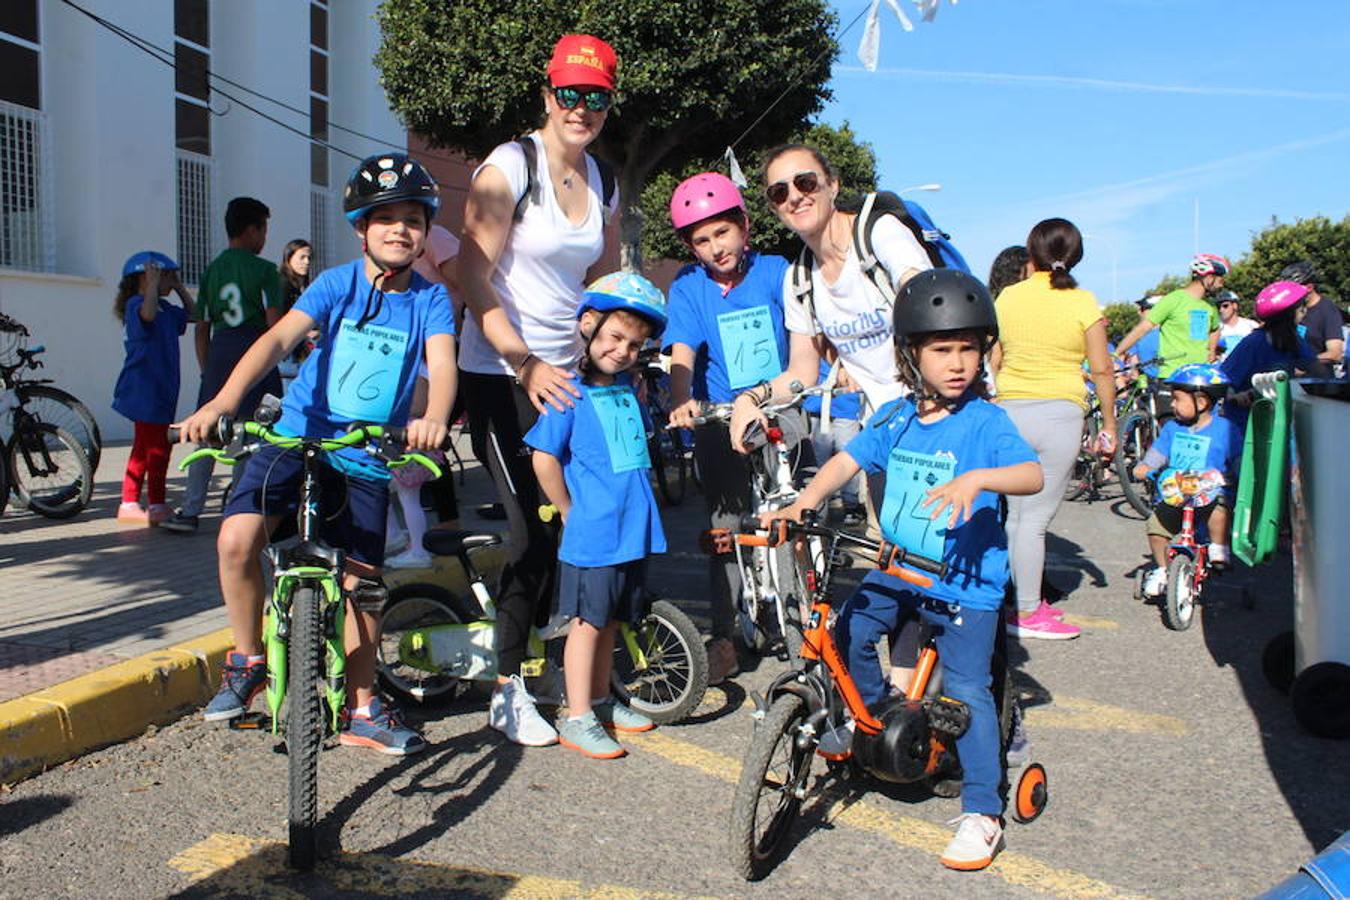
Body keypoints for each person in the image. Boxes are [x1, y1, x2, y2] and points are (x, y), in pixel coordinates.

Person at [176, 153, 455, 756]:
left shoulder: (431, 300)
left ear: (426, 230)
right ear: (361, 228)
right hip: (296, 436)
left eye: (412, 218)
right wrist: (222, 403)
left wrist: (431, 419)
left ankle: (362, 708)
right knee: (235, 540)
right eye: (384, 218)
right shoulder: (336, 284)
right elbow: (276, 338)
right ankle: (246, 659)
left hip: (363, 450)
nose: (400, 229)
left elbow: (441, 362)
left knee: (362, 582)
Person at [766, 269, 1043, 871]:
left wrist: (978, 478)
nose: (958, 362)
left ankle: (982, 812)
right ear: (910, 354)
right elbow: (847, 460)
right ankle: (881, 718)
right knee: (849, 631)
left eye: (969, 348)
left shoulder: (986, 423)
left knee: (967, 692)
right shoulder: (896, 417)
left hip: (964, 582)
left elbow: (1031, 476)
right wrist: (805, 500)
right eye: (943, 349)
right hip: (896, 568)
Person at [456, 34, 620, 747]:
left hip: (568, 378)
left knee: (578, 524)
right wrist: (524, 363)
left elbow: (603, 286)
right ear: (547, 94)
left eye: (597, 96)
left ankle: (568, 671)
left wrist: (615, 352)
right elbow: (470, 274)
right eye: (570, 94)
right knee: (529, 528)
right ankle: (506, 684)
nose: (582, 108)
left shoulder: (606, 181)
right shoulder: (508, 167)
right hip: (501, 375)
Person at [526, 272, 668, 758]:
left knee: (610, 619)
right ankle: (578, 714)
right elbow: (544, 457)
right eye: (614, 336)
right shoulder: (568, 391)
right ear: (588, 325)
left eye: (634, 343)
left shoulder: (628, 391)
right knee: (587, 622)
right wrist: (568, 510)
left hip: (629, 528)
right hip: (594, 530)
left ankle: (604, 700)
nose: (623, 350)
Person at [663, 171, 791, 684]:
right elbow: (683, 352)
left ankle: (803, 617)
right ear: (690, 247)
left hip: (781, 411)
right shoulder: (689, 287)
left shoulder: (778, 271)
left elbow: (810, 337)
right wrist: (680, 401)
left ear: (744, 225)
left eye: (723, 232)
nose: (716, 247)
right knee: (725, 531)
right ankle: (725, 637)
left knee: (795, 521)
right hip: (721, 421)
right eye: (702, 239)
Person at [730, 144, 935, 454]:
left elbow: (927, 301)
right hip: (883, 432)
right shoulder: (799, 279)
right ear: (774, 208)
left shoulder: (879, 235)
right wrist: (748, 399)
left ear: (833, 185)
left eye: (806, 182)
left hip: (940, 419)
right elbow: (801, 373)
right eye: (779, 192)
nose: (795, 196)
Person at [989, 218, 1116, 639]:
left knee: (1015, 518)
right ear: (1075, 255)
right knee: (1035, 520)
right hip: (1060, 412)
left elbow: (995, 359)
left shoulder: (1008, 298)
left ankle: (1019, 601)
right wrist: (1110, 426)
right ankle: (1027, 612)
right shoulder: (1083, 302)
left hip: (1010, 411)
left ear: (1032, 252)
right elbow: (1101, 369)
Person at [162, 198, 285, 533]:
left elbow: (200, 326)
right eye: (264, 229)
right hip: (254, 350)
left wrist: (207, 369)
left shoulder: (212, 270)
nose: (265, 238)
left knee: (207, 432)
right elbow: (276, 324)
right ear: (252, 229)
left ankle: (190, 511)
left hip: (219, 352)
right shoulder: (265, 270)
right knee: (252, 434)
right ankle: (240, 509)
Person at [1134, 365, 1242, 594]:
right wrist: (1145, 466)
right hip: (1176, 493)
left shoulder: (1225, 429)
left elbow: (1238, 458)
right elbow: (1158, 452)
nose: (1171, 404)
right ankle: (1163, 570)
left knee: (1219, 511)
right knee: (1156, 525)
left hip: (1211, 492)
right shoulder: (1172, 428)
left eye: (1177, 399)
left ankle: (1218, 546)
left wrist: (1238, 475)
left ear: (1201, 402)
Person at [111, 251, 195, 526]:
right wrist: (150, 284)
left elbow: (194, 314)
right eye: (167, 275)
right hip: (144, 390)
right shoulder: (138, 305)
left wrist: (180, 287)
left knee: (143, 448)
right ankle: (155, 504)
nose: (172, 280)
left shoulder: (167, 311)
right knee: (158, 448)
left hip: (161, 389)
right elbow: (146, 313)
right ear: (145, 278)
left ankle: (130, 502)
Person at [410, 223, 465, 535]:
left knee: (434, 433)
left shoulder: (435, 237)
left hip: (451, 341)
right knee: (424, 435)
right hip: (420, 346)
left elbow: (464, 281)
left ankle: (449, 520)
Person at [1220, 280, 1324, 430]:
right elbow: (1225, 378)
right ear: (1288, 314)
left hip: (1275, 420)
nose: (1305, 312)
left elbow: (1316, 368)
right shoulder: (1254, 343)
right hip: (1245, 424)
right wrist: (1233, 396)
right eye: (1301, 308)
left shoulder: (1294, 340)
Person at [1115, 253, 1227, 377]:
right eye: (1220, 280)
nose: (1221, 285)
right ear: (1209, 277)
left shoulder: (1210, 306)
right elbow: (1143, 328)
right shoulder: (1173, 299)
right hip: (1173, 373)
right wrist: (1117, 353)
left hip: (1200, 372)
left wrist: (1211, 350)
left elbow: (1215, 329)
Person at [803, 359, 865, 524]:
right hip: (817, 405)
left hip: (847, 407)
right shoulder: (815, 342)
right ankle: (820, 505)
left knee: (850, 455)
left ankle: (851, 506)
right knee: (818, 461)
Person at [1279, 261, 1345, 366]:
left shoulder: (1327, 310)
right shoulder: (1287, 310)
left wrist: (1302, 364)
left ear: (1309, 287)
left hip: (1316, 379)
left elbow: (1335, 353)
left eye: (1293, 290)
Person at [1212, 290, 1256, 362]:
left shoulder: (1251, 325)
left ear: (1235, 305)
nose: (1221, 310)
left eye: (1225, 306)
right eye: (1218, 307)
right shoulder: (1215, 329)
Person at [279, 239, 313, 313]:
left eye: (309, 258)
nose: (307, 262)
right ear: (289, 258)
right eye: (302, 257)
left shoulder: (305, 285)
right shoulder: (282, 285)